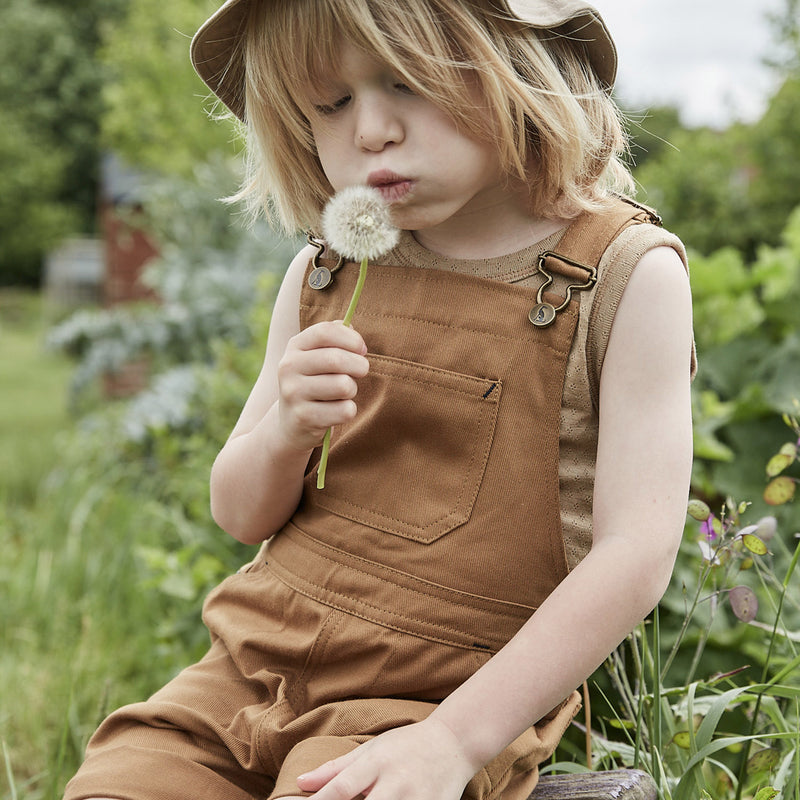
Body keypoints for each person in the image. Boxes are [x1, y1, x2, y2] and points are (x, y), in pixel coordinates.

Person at [64, 1, 696, 799]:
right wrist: (287, 428)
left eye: (407, 81)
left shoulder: (621, 276)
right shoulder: (325, 273)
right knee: (119, 783)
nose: (369, 132)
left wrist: (453, 741)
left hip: (427, 700)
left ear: (518, 66)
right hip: (249, 671)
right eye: (330, 103)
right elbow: (239, 513)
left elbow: (636, 556)